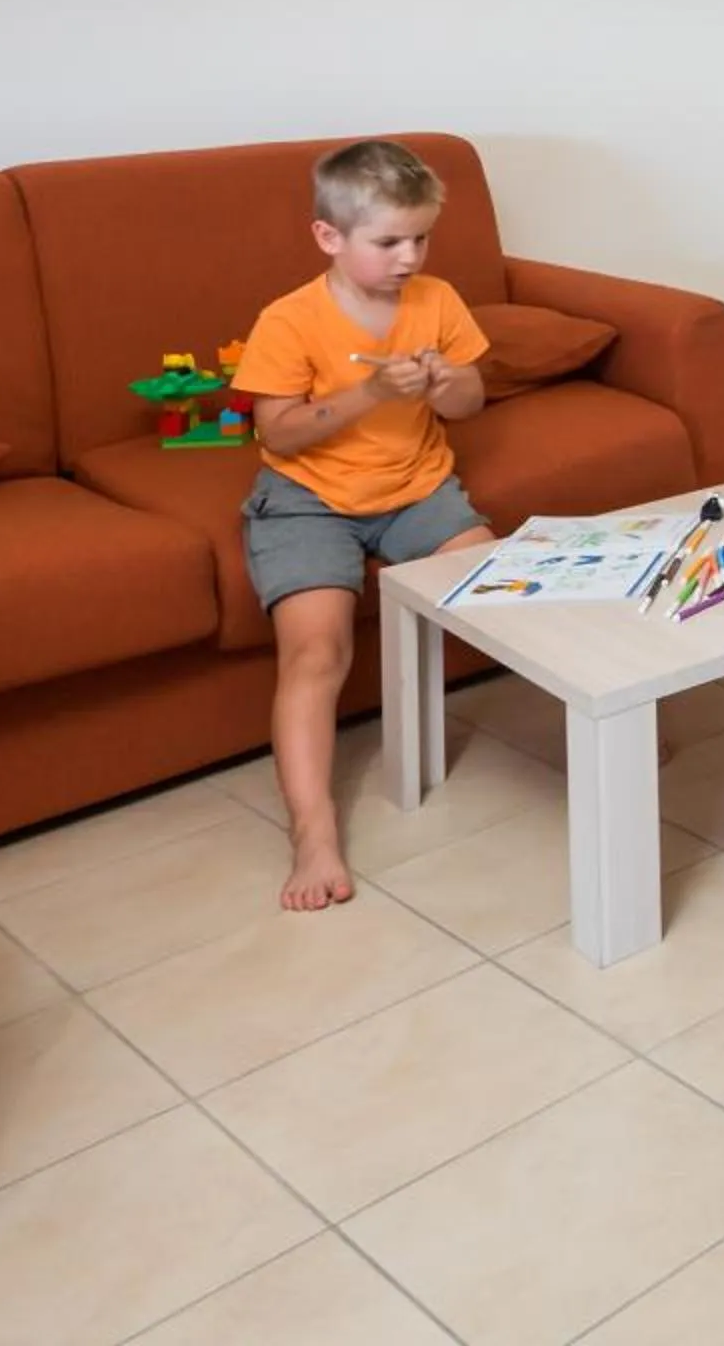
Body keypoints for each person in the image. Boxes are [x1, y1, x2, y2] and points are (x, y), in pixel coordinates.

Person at [233, 140, 494, 910]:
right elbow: (278, 435)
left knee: (513, 596)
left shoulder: (437, 299)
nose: (409, 256)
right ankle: (312, 834)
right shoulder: (288, 319)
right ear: (330, 238)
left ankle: (603, 735)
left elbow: (472, 400)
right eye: (388, 242)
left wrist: (448, 385)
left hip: (417, 489)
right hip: (308, 502)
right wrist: (372, 392)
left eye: (421, 238)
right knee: (317, 652)